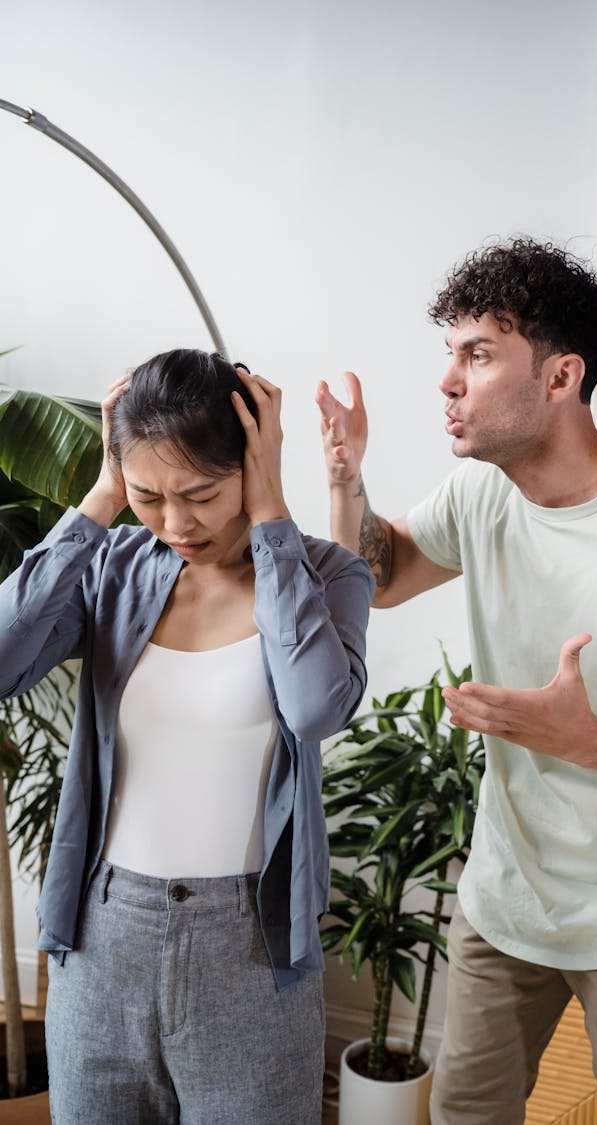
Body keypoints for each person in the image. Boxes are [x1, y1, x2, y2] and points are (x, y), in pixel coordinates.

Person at [316, 238, 597, 1125]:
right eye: (451, 352)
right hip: (506, 897)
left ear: (560, 378)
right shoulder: (487, 491)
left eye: (477, 355)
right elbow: (385, 572)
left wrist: (590, 740)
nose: (447, 380)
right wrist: (345, 480)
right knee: (465, 1115)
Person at [0, 349, 373, 1124]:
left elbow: (314, 708)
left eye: (200, 493)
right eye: (148, 495)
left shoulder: (328, 575)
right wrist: (103, 498)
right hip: (102, 941)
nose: (175, 522)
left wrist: (270, 518)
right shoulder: (117, 567)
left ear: (253, 462)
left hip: (251, 950)